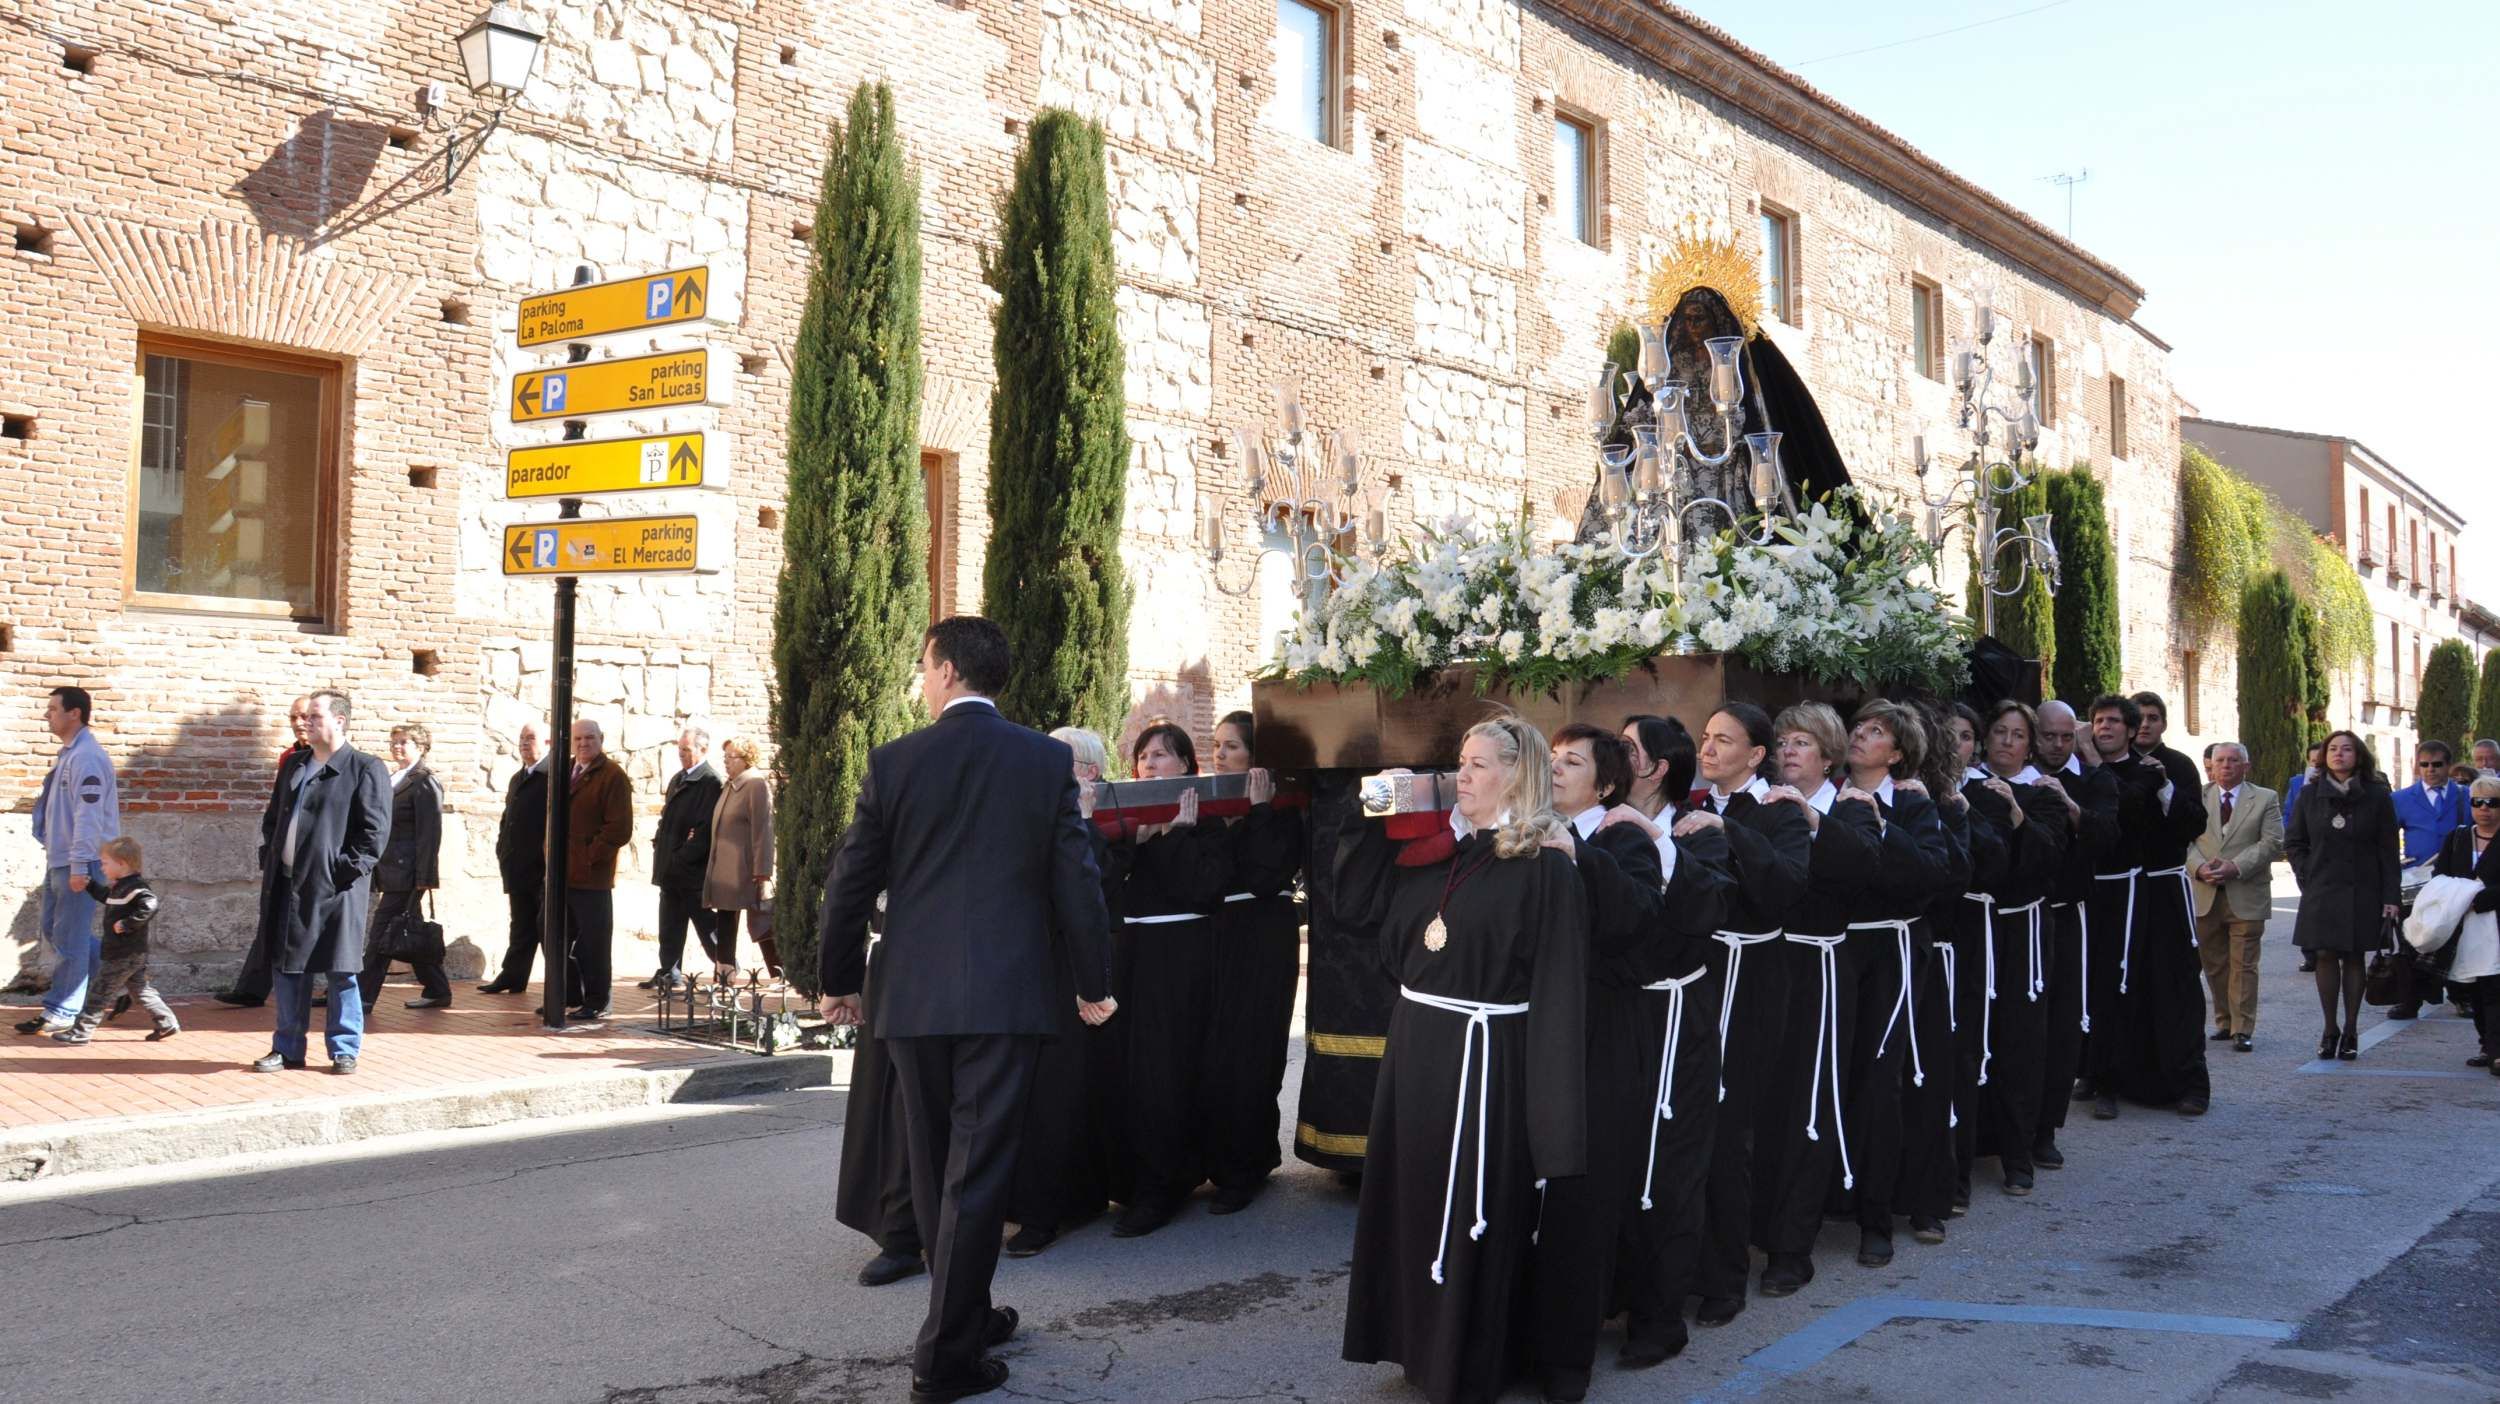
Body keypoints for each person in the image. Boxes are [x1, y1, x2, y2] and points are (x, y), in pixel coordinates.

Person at [816, 615, 1115, 1404]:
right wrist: (1093, 980)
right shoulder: (1043, 760)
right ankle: (947, 1356)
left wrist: (839, 978)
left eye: (923, 665)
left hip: (913, 996)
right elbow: (1075, 880)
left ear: (947, 671)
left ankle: (966, 1317)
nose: (921, 679)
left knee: (935, 1162)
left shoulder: (896, 761)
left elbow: (850, 880)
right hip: (1006, 995)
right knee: (975, 1173)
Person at [1336, 716, 1587, 1404]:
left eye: (1477, 764)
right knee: (1414, 1199)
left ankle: (1467, 1362)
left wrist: (1554, 1120)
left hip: (1488, 1059)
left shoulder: (1547, 869)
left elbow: (1560, 995)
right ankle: (1416, 1344)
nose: (1462, 776)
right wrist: (1370, 819)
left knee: (1477, 1209)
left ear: (1516, 774)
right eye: (1462, 762)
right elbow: (1368, 923)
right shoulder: (1444, 852)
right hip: (1419, 1048)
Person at [1529, 723, 1730, 1393]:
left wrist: (1627, 848)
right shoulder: (1538, 830)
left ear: (1613, 780)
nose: (1555, 768)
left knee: (1657, 1175)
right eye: (1550, 757)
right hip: (1571, 1023)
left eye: (1572, 761)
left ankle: (1657, 1316)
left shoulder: (1628, 836)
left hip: (1647, 1021)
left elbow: (1641, 921)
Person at [1676, 702, 1810, 1327]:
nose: (1708, 748)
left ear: (1756, 755)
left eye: (1723, 740)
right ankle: (1687, 1263)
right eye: (1704, 737)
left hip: (1753, 980)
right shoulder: (1691, 803)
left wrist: (1730, 834)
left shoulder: (1780, 810)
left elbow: (1785, 887)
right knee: (1694, 1125)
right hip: (1699, 978)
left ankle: (1728, 1277)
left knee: (1734, 1130)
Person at [1752, 703, 1881, 1299]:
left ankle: (1791, 1248)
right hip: (1769, 966)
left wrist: (1811, 821)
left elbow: (1863, 869)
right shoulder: (1760, 806)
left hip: (1822, 968)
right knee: (1764, 1102)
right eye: (1782, 742)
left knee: (1808, 1106)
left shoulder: (1851, 808)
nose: (1788, 752)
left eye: (1802, 742)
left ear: (1829, 757)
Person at [1832, 701, 1963, 1264]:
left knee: (1891, 1084)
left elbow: (1934, 874)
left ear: (1899, 752)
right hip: (1837, 953)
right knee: (1839, 1079)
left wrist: (1881, 824)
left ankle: (1881, 1216)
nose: (1861, 736)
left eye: (1876, 732)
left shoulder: (1911, 802)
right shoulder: (1826, 796)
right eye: (1858, 728)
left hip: (1896, 955)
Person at [1100, 720, 1234, 1237]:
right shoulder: (1127, 820)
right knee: (1128, 1072)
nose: (1150, 764)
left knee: (1165, 1074)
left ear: (1186, 766)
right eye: (1144, 756)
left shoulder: (1207, 823)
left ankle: (1162, 1188)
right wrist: (1135, 841)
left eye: (1162, 755)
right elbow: (1106, 883)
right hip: (1131, 955)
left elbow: (1204, 890)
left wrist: (1175, 836)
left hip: (1179, 960)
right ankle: (1131, 1182)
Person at [1005, 726, 1121, 1258]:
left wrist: (1089, 825)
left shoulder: (1103, 821)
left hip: (1067, 973)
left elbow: (1096, 896)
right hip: (1023, 968)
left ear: (1088, 772)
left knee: (1059, 1096)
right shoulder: (1035, 810)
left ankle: (1046, 1212)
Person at [252, 689, 390, 1075]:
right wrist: (272, 856)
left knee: (340, 970)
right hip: (287, 883)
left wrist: (338, 871)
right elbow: (273, 819)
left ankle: (344, 1048)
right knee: (288, 968)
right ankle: (288, 1047)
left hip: (335, 891)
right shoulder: (294, 764)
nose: (305, 723)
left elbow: (373, 835)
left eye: (314, 717)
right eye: (303, 717)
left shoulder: (365, 768)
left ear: (339, 721)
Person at [1959, 701, 2066, 1199]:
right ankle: (1967, 1152)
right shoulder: (1964, 788)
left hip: (2022, 931)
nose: (2006, 741)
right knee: (1971, 1038)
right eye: (1998, 731)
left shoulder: (2042, 791)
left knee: (2021, 1042)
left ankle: (2018, 1153)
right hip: (1976, 928)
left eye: (2017, 734)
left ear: (2031, 743)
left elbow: (2049, 858)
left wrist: (2018, 813)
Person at [1203, 710, 1305, 1215]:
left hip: (1264, 937)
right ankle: (1228, 1159)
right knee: (1218, 1052)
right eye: (1216, 745)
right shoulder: (1210, 806)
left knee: (1253, 1052)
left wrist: (1258, 812)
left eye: (1232, 747)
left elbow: (1267, 875)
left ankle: (1244, 1169)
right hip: (1220, 936)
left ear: (1257, 759)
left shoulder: (1282, 809)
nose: (1219, 754)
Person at [2107, 691, 2211, 1116]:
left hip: (2166, 890)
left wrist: (2164, 785)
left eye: (2153, 717)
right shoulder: (2110, 767)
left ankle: (2190, 1083)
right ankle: (2114, 1078)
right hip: (2123, 891)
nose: (2145, 725)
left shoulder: (2180, 766)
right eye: (2139, 718)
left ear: (2163, 724)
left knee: (2177, 985)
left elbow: (2193, 823)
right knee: (2124, 983)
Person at [2031, 700, 2115, 1171]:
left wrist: (2070, 806)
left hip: (2066, 917)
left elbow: (2107, 833)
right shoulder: (2015, 777)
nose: (2058, 746)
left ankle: (2046, 1130)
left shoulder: (2093, 779)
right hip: (2016, 920)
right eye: (2049, 736)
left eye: (2067, 737)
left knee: (2062, 1029)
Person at [2284, 731, 2400, 1062]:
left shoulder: (2377, 796)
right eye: (2333, 749)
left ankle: (2350, 1029)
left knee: (2352, 956)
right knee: (2323, 954)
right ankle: (2329, 1028)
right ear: (2323, 757)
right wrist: (2308, 871)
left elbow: (2388, 850)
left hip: (2363, 888)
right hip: (2321, 888)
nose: (2338, 754)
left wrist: (2391, 897)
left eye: (2346, 749)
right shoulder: (2309, 795)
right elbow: (2294, 842)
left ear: (2358, 756)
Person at [23, 686, 121, 1037]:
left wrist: (81, 867)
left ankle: (63, 1011)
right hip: (61, 859)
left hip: (80, 861)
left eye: (52, 709)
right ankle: (119, 981)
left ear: (74, 713)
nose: (47, 715)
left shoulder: (86, 758)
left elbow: (88, 817)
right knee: (56, 930)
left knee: (71, 939)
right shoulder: (69, 754)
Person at [217, 695, 315, 1008]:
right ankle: (252, 988)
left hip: (314, 859)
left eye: (304, 716)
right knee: (271, 920)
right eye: (293, 718)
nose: (299, 724)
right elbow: (278, 806)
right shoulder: (290, 757)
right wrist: (270, 844)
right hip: (283, 855)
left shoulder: (337, 760)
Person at [2191, 743, 2283, 1053]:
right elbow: (2182, 840)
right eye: (2220, 761)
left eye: (2233, 760)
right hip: (2205, 892)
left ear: (2246, 766)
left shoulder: (2265, 798)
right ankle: (2224, 1020)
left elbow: (2272, 842)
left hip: (2246, 892)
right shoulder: (2198, 797)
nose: (2226, 766)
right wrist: (2199, 867)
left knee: (2243, 964)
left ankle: (2243, 1028)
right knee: (2214, 965)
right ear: (2211, 767)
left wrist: (2236, 866)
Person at [52, 835, 178, 1044]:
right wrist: (90, 885)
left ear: (122, 864)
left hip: (124, 953)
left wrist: (128, 923)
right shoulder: (120, 887)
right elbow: (107, 898)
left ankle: (81, 1032)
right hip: (129, 953)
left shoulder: (135, 887)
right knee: (140, 990)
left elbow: (150, 903)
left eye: (105, 863)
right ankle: (166, 1023)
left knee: (99, 992)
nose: (102, 868)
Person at [361, 723, 449, 1013]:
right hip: (390, 870)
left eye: (404, 742)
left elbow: (430, 833)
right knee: (406, 930)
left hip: (409, 872)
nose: (397, 746)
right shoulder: (393, 778)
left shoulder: (424, 782)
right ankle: (437, 989)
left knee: (382, 933)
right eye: (394, 741)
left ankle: (362, 997)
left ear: (421, 747)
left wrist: (424, 878)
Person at [2388, 740, 2470, 1019]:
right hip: (2414, 882)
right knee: (2411, 939)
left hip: (2455, 882)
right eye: (2424, 764)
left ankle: (2462, 997)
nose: (2430, 770)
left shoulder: (2465, 797)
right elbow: (2385, 840)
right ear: (2417, 766)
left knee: (2457, 940)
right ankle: (2410, 1001)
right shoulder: (2400, 799)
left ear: (2448, 766)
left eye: (2437, 764)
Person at [562, 719, 634, 1022]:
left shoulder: (612, 776)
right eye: (578, 738)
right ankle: (567, 994)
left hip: (592, 876)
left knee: (594, 942)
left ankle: (597, 1000)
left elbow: (619, 829)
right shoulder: (565, 769)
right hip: (561, 874)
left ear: (601, 739)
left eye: (589, 738)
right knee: (550, 932)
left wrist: (589, 856)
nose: (583, 743)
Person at [2427, 776, 2500, 1076]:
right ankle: (2487, 1045)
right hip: (2463, 926)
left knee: (2495, 989)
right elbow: (2440, 875)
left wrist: (2476, 899)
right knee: (2473, 990)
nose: (2485, 809)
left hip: (2494, 923)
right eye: (2478, 802)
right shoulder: (2456, 837)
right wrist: (2455, 898)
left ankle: (2497, 1052)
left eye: (2493, 802)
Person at [644, 727, 723, 991]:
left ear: (702, 750)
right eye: (680, 749)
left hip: (691, 873)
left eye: (686, 750)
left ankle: (726, 968)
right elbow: (668, 818)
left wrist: (681, 858)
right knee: (669, 926)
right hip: (670, 870)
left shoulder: (710, 782)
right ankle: (669, 971)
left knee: (705, 926)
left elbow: (704, 831)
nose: (681, 754)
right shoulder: (679, 778)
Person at [481, 722, 551, 994]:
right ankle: (513, 975)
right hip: (518, 866)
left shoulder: (552, 776)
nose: (524, 743)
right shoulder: (518, 777)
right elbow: (507, 819)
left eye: (531, 738)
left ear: (547, 743)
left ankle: (561, 986)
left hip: (542, 867)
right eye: (521, 738)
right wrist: (502, 849)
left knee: (546, 929)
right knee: (520, 924)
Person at [703, 737, 775, 978]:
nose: (726, 762)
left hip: (746, 868)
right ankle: (725, 972)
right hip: (725, 868)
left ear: (746, 759)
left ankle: (779, 972)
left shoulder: (755, 784)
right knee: (725, 918)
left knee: (761, 920)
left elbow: (763, 829)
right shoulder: (730, 785)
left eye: (730, 758)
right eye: (724, 758)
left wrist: (762, 870)